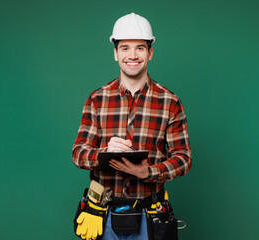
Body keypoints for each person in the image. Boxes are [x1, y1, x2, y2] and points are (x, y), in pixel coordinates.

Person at [73, 12, 192, 240]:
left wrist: (149, 172)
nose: (132, 55)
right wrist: (104, 153)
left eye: (139, 48)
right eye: (125, 48)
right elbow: (78, 154)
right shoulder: (97, 99)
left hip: (151, 215)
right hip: (102, 214)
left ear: (150, 52)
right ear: (115, 54)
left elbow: (184, 158)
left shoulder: (170, 102)